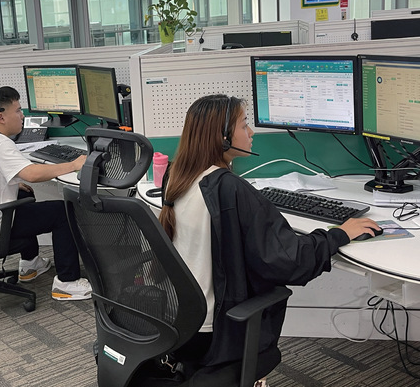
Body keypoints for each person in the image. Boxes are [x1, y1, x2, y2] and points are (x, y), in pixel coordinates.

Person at [158, 94, 380, 385]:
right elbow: (289, 261)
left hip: (179, 324)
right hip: (215, 335)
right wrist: (339, 233)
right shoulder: (229, 188)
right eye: (244, 125)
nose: (251, 132)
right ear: (222, 138)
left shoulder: (177, 176)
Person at [0, 86, 92, 301]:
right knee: (62, 211)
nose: (22, 116)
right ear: (1, 117)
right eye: (18, 110)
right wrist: (73, 164)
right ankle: (66, 283)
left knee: (22, 196)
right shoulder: (1, 144)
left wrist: (11, 183)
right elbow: (32, 174)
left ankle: (30, 265)